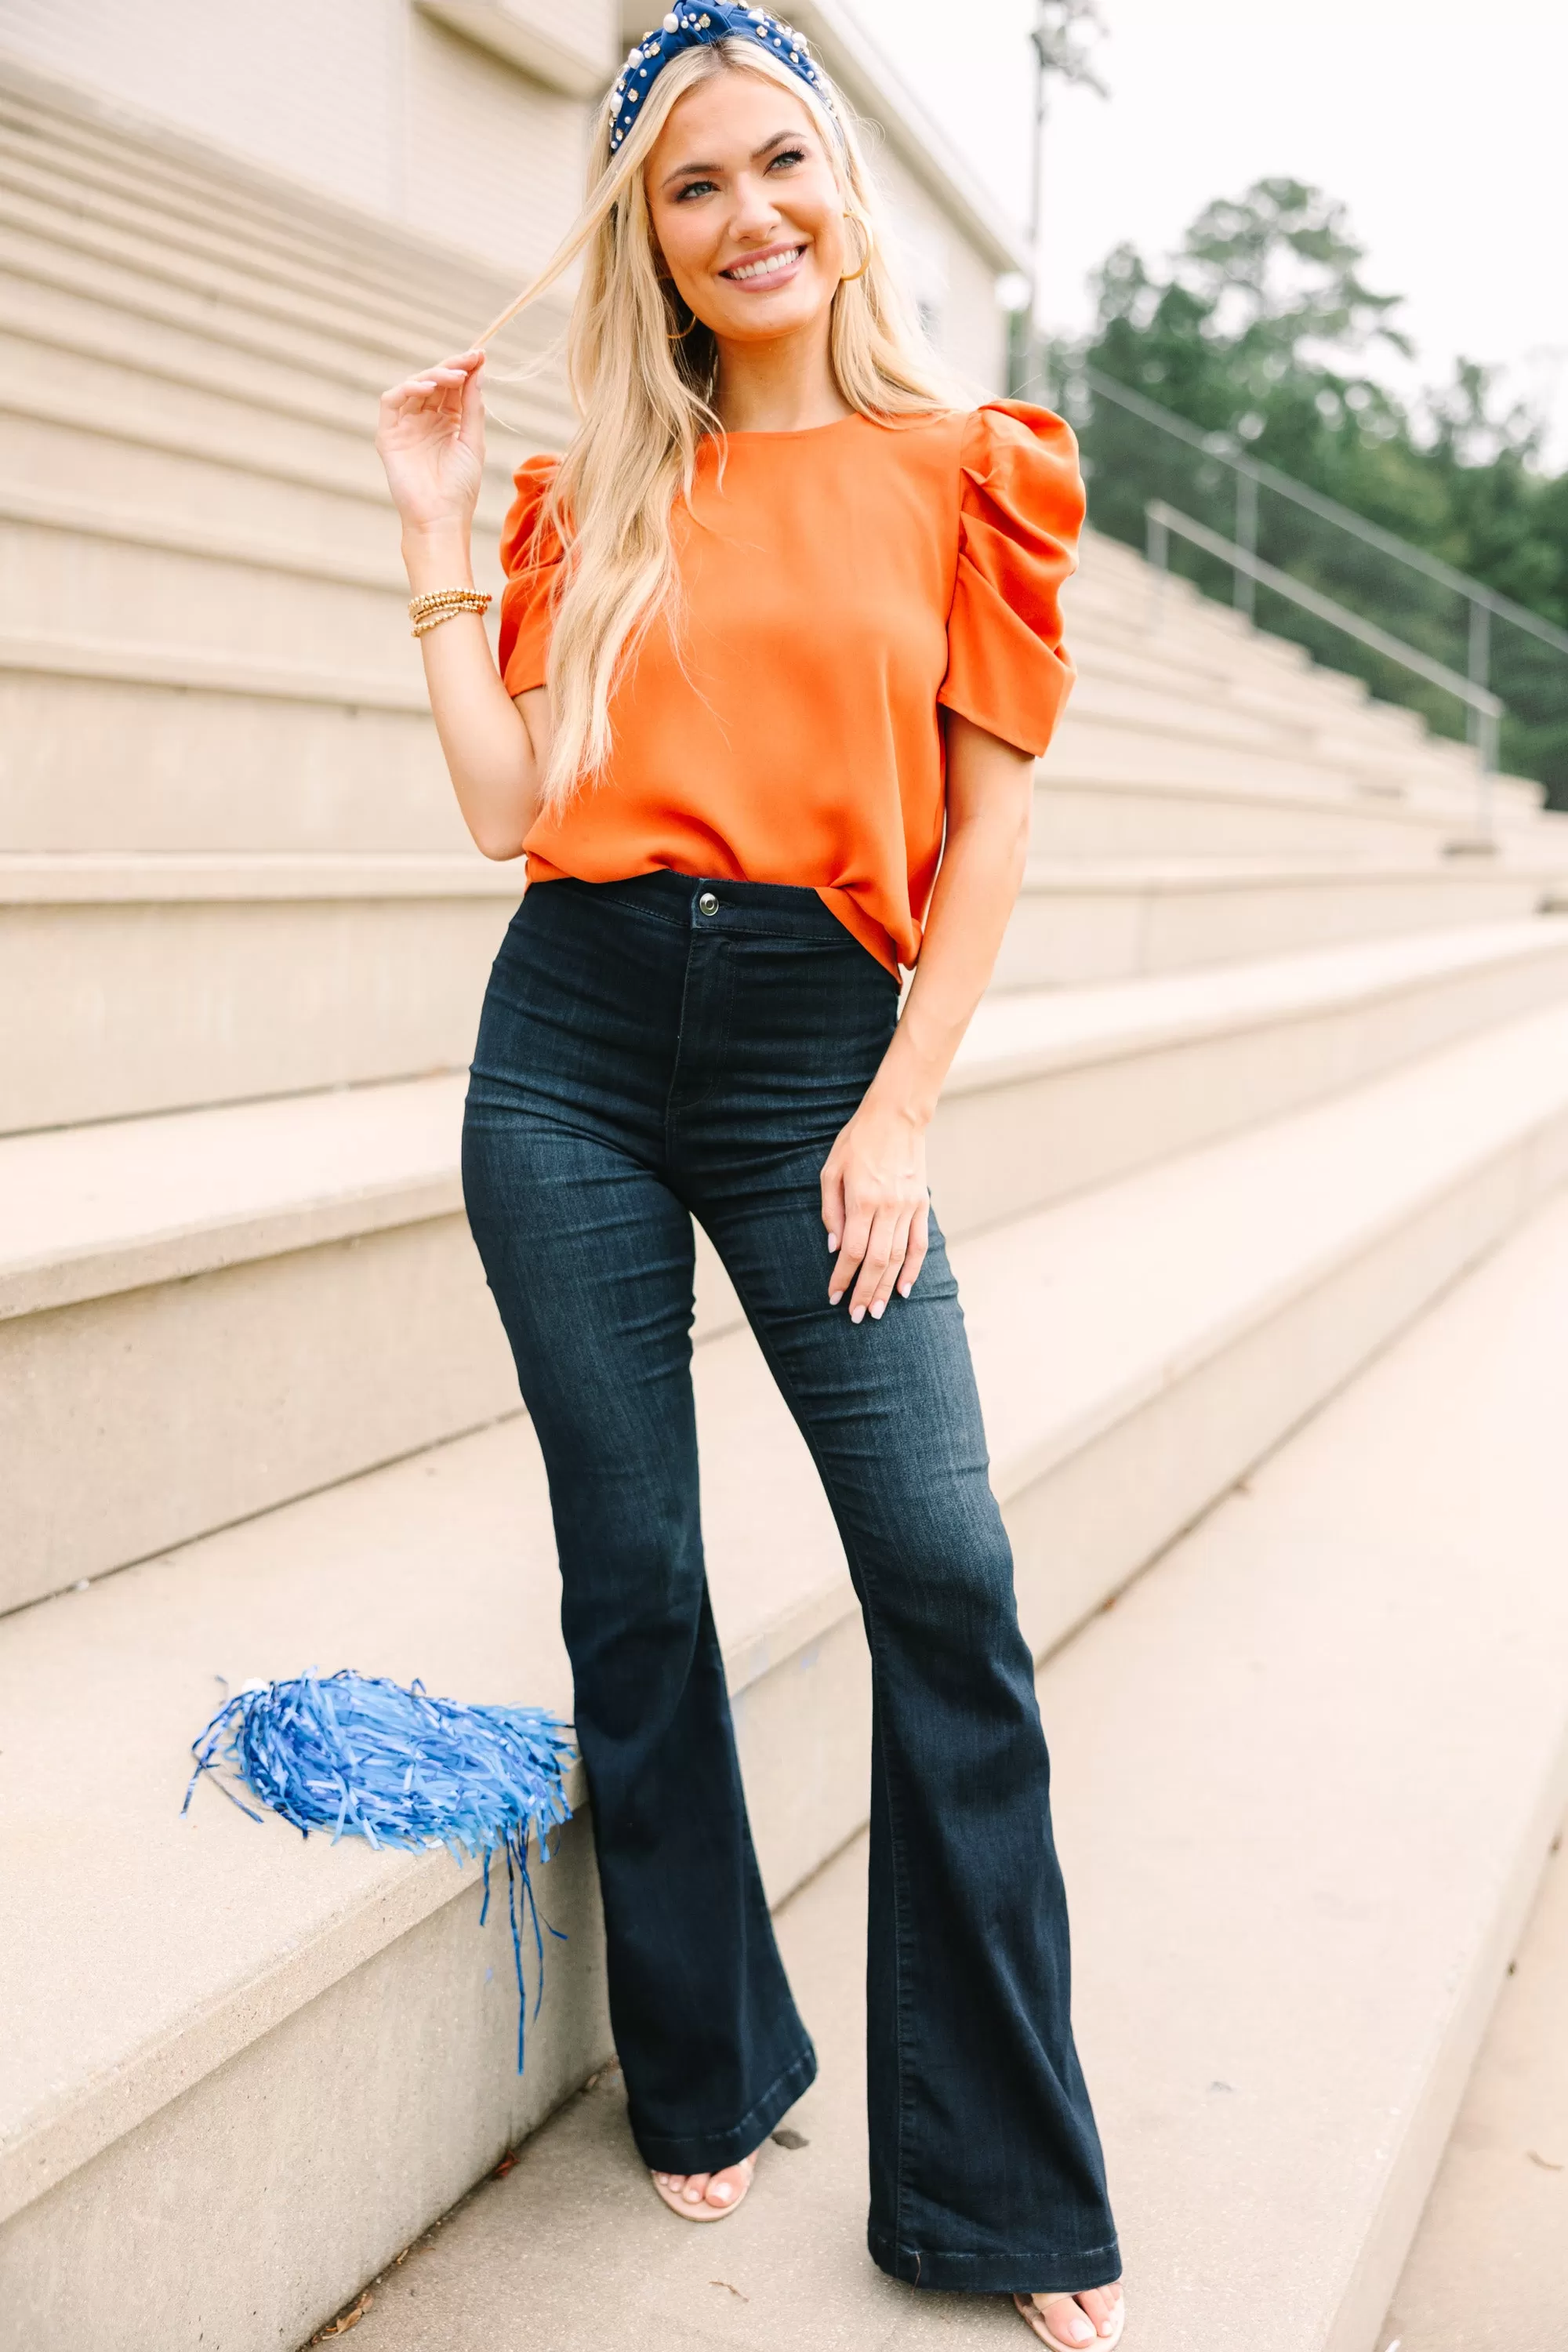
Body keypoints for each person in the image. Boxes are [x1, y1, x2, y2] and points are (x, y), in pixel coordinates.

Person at [374, 9, 1123, 2345]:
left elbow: (987, 835)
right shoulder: (589, 491)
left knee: (945, 1575)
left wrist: (894, 1110)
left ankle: (1001, 2191)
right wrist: (426, 530)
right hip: (571, 1040)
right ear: (650, 237)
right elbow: (508, 813)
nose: (749, 214)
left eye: (779, 162)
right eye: (693, 187)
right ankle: (706, 2065)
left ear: (842, 185)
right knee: (638, 1573)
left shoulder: (961, 467)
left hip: (824, 1042)